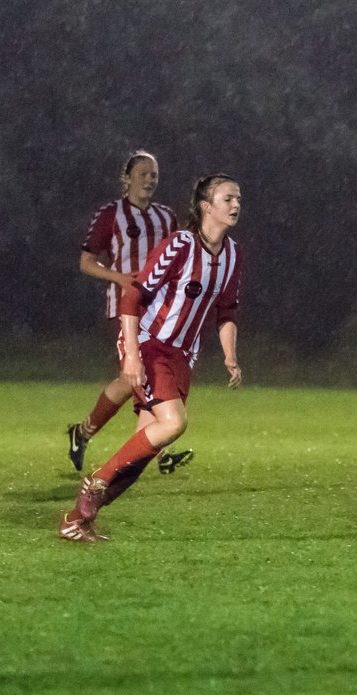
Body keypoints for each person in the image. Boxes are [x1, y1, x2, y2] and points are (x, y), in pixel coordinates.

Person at [59, 174, 244, 542]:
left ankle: (75, 521)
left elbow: (227, 312)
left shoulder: (233, 254)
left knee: (142, 452)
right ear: (207, 206)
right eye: (228, 198)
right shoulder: (180, 245)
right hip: (150, 344)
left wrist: (230, 357)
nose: (236, 204)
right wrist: (130, 355)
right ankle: (92, 486)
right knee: (174, 423)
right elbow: (132, 297)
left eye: (238, 198)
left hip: (181, 358)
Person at [66, 151, 193, 475]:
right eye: (143, 174)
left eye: (154, 174)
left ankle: (93, 435)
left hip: (162, 311)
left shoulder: (166, 217)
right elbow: (86, 262)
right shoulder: (111, 215)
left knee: (138, 377)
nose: (150, 179)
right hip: (125, 309)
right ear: (127, 179)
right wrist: (120, 277)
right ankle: (147, 446)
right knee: (136, 375)